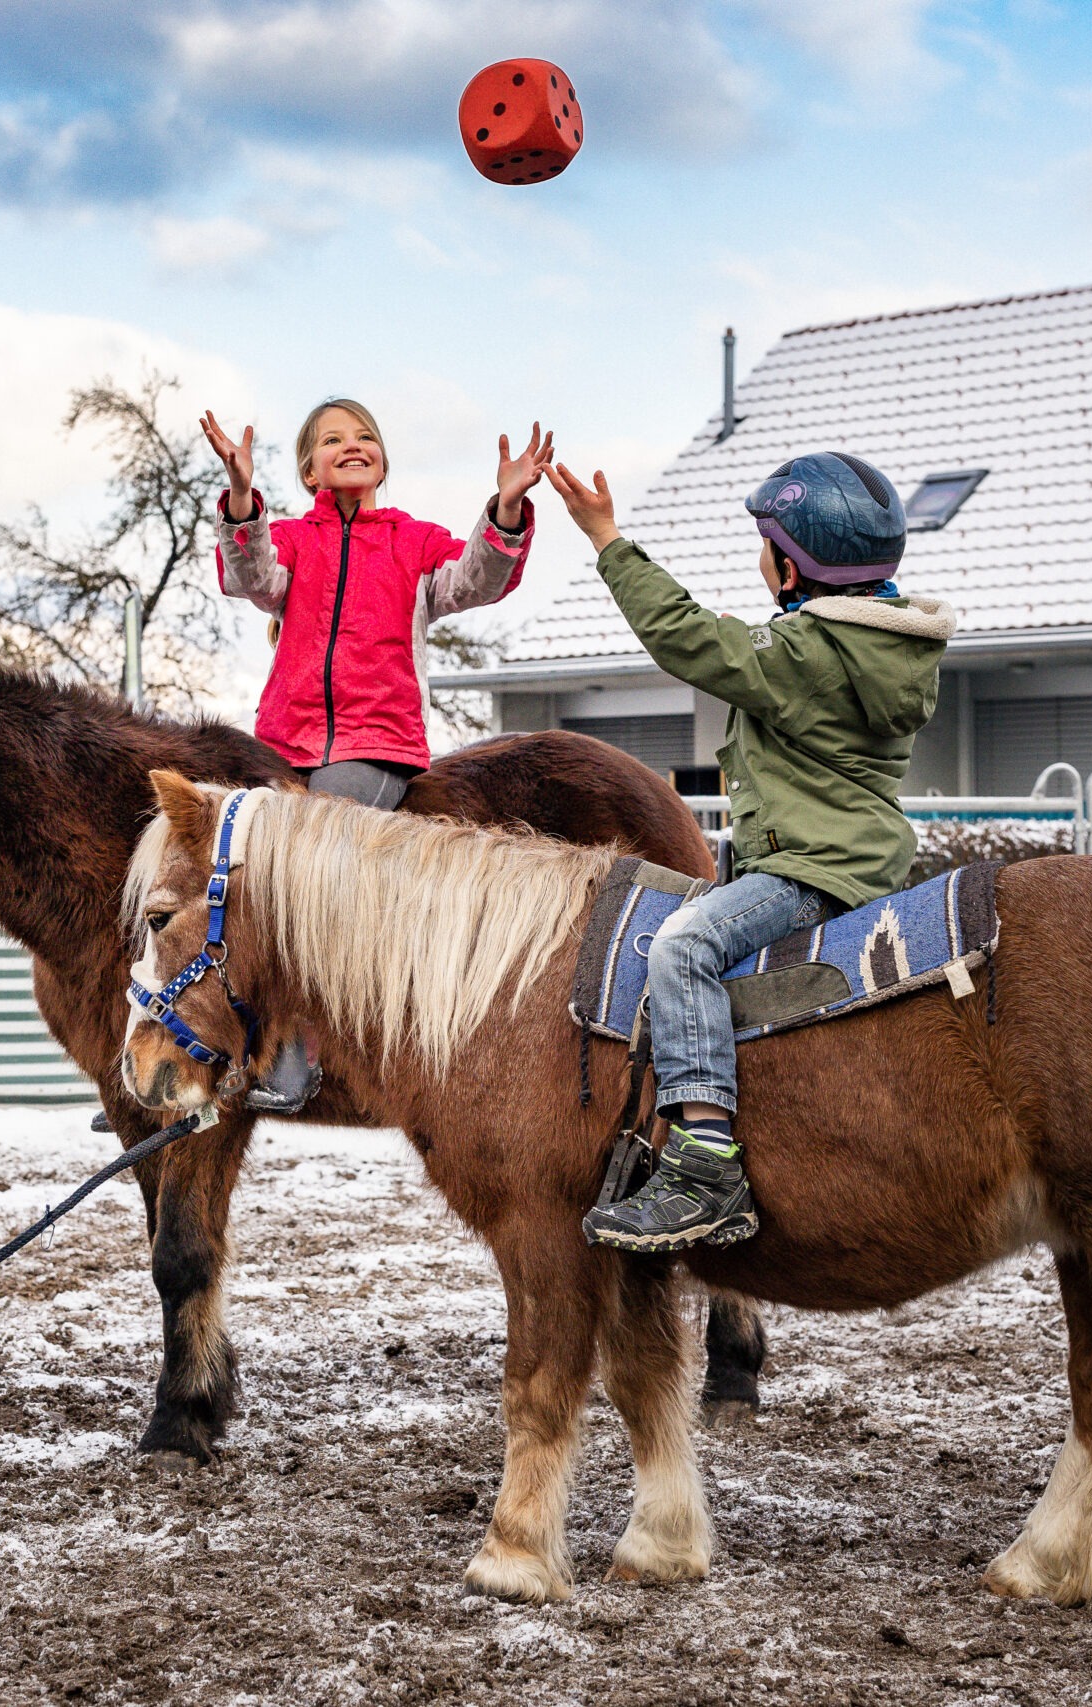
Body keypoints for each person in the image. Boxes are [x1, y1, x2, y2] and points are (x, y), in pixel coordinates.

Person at [546, 452, 955, 1252]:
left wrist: (608, 541)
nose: (757, 559)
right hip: (850, 858)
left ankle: (705, 1162)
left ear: (795, 564)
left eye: (765, 544)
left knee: (682, 946)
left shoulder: (809, 652)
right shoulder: (880, 649)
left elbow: (687, 637)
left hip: (808, 869)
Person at [199, 398, 550, 810]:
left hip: (374, 748)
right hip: (281, 746)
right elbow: (250, 576)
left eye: (365, 437)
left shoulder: (416, 541)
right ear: (310, 472)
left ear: (381, 466)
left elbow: (478, 579)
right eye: (333, 439)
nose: (353, 445)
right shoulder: (292, 539)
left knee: (322, 830)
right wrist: (241, 495)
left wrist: (507, 508)